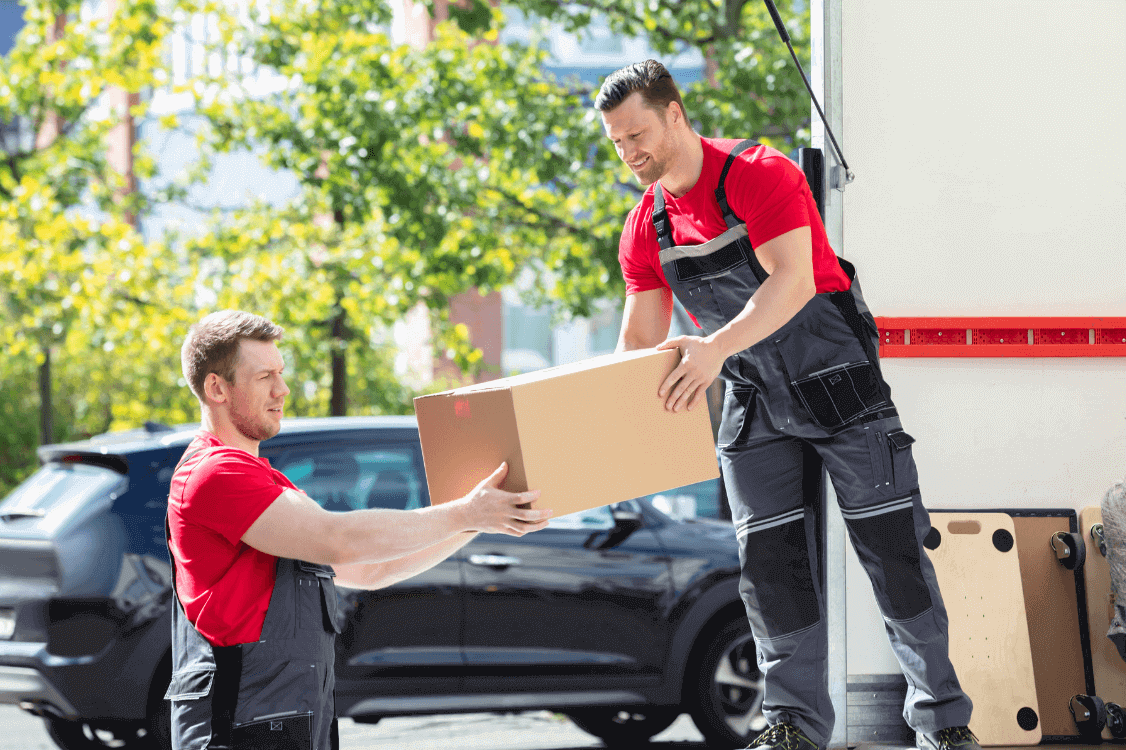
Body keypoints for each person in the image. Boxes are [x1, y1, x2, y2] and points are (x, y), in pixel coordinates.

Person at [596, 60, 977, 750]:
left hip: (836, 381)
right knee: (768, 570)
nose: (630, 153)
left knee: (893, 557)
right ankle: (794, 726)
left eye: (638, 134)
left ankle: (943, 723)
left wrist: (710, 348)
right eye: (617, 143)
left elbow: (794, 281)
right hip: (753, 398)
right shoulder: (644, 228)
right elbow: (638, 341)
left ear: (676, 114)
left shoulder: (759, 174)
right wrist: (593, 436)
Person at [164, 310, 552, 750]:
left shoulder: (263, 480)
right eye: (264, 376)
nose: (282, 389)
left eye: (282, 373)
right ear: (217, 387)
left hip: (288, 723)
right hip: (238, 730)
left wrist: (482, 520)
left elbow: (369, 570)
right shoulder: (215, 473)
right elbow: (339, 538)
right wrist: (465, 513)